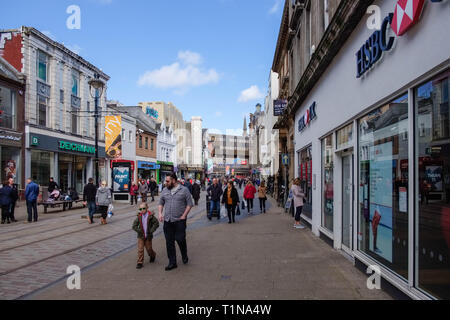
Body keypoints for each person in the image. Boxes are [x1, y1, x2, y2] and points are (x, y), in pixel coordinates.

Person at [158, 173, 193, 271]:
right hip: (167, 221)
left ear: (174, 180)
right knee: (169, 242)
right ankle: (172, 263)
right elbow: (161, 203)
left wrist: (184, 215)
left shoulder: (184, 190)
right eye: (165, 181)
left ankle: (184, 255)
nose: (166, 183)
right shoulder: (164, 191)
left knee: (180, 239)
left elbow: (189, 204)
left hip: (179, 221)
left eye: (168, 181)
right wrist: (160, 213)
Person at [132, 202, 159, 269]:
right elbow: (134, 226)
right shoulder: (139, 216)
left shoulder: (151, 216)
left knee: (149, 249)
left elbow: (156, 223)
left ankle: (152, 255)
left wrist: (151, 230)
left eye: (144, 208)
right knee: (140, 249)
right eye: (140, 209)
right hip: (141, 236)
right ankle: (140, 262)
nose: (142, 210)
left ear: (147, 208)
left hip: (148, 236)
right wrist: (139, 231)